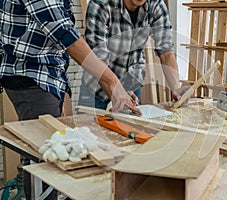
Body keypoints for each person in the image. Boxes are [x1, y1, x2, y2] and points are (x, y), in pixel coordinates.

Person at [0, 0, 139, 199]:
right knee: (46, 163)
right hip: (32, 75)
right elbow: (66, 34)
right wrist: (112, 82)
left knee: (48, 156)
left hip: (48, 74)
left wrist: (112, 84)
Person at [78, 0, 189, 109]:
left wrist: (176, 88)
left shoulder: (156, 4)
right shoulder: (101, 3)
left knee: (130, 126)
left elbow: (166, 51)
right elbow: (98, 57)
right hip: (97, 86)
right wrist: (117, 94)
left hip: (131, 81)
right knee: (88, 126)